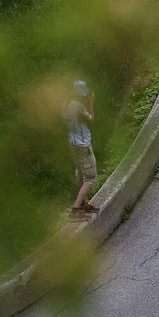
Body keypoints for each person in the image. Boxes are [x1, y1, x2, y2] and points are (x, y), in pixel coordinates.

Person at [64, 80, 98, 219]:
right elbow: (92, 119)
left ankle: (83, 204)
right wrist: (90, 102)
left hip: (73, 143)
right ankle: (75, 210)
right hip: (83, 144)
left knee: (79, 173)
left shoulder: (65, 104)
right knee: (90, 178)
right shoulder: (78, 106)